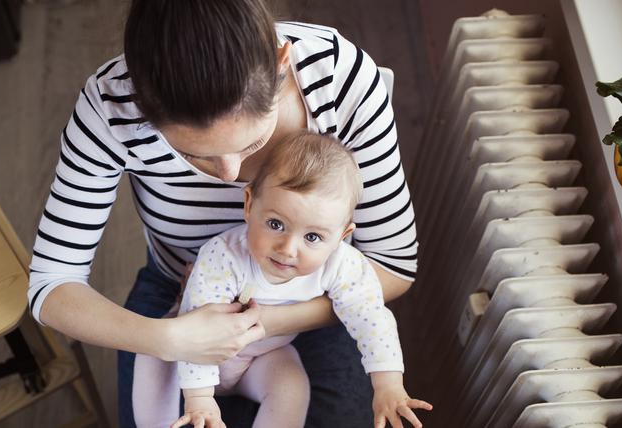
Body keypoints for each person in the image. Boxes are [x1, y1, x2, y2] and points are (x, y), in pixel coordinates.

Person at [27, 0, 420, 426]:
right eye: (194, 155)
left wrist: (264, 320)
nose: (232, 176)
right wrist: (169, 338)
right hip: (177, 295)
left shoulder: (339, 78)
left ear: (281, 64)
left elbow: (392, 266)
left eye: (251, 144)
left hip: (315, 298)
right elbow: (52, 284)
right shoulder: (110, 106)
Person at [132, 132, 430, 428]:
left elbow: (371, 318)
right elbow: (198, 328)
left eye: (312, 237)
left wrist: (388, 384)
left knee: (291, 387)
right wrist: (200, 399)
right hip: (190, 350)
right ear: (249, 205)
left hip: (261, 357)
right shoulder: (224, 255)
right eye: (276, 224)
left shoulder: (343, 265)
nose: (287, 249)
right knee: (151, 355)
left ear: (342, 236)